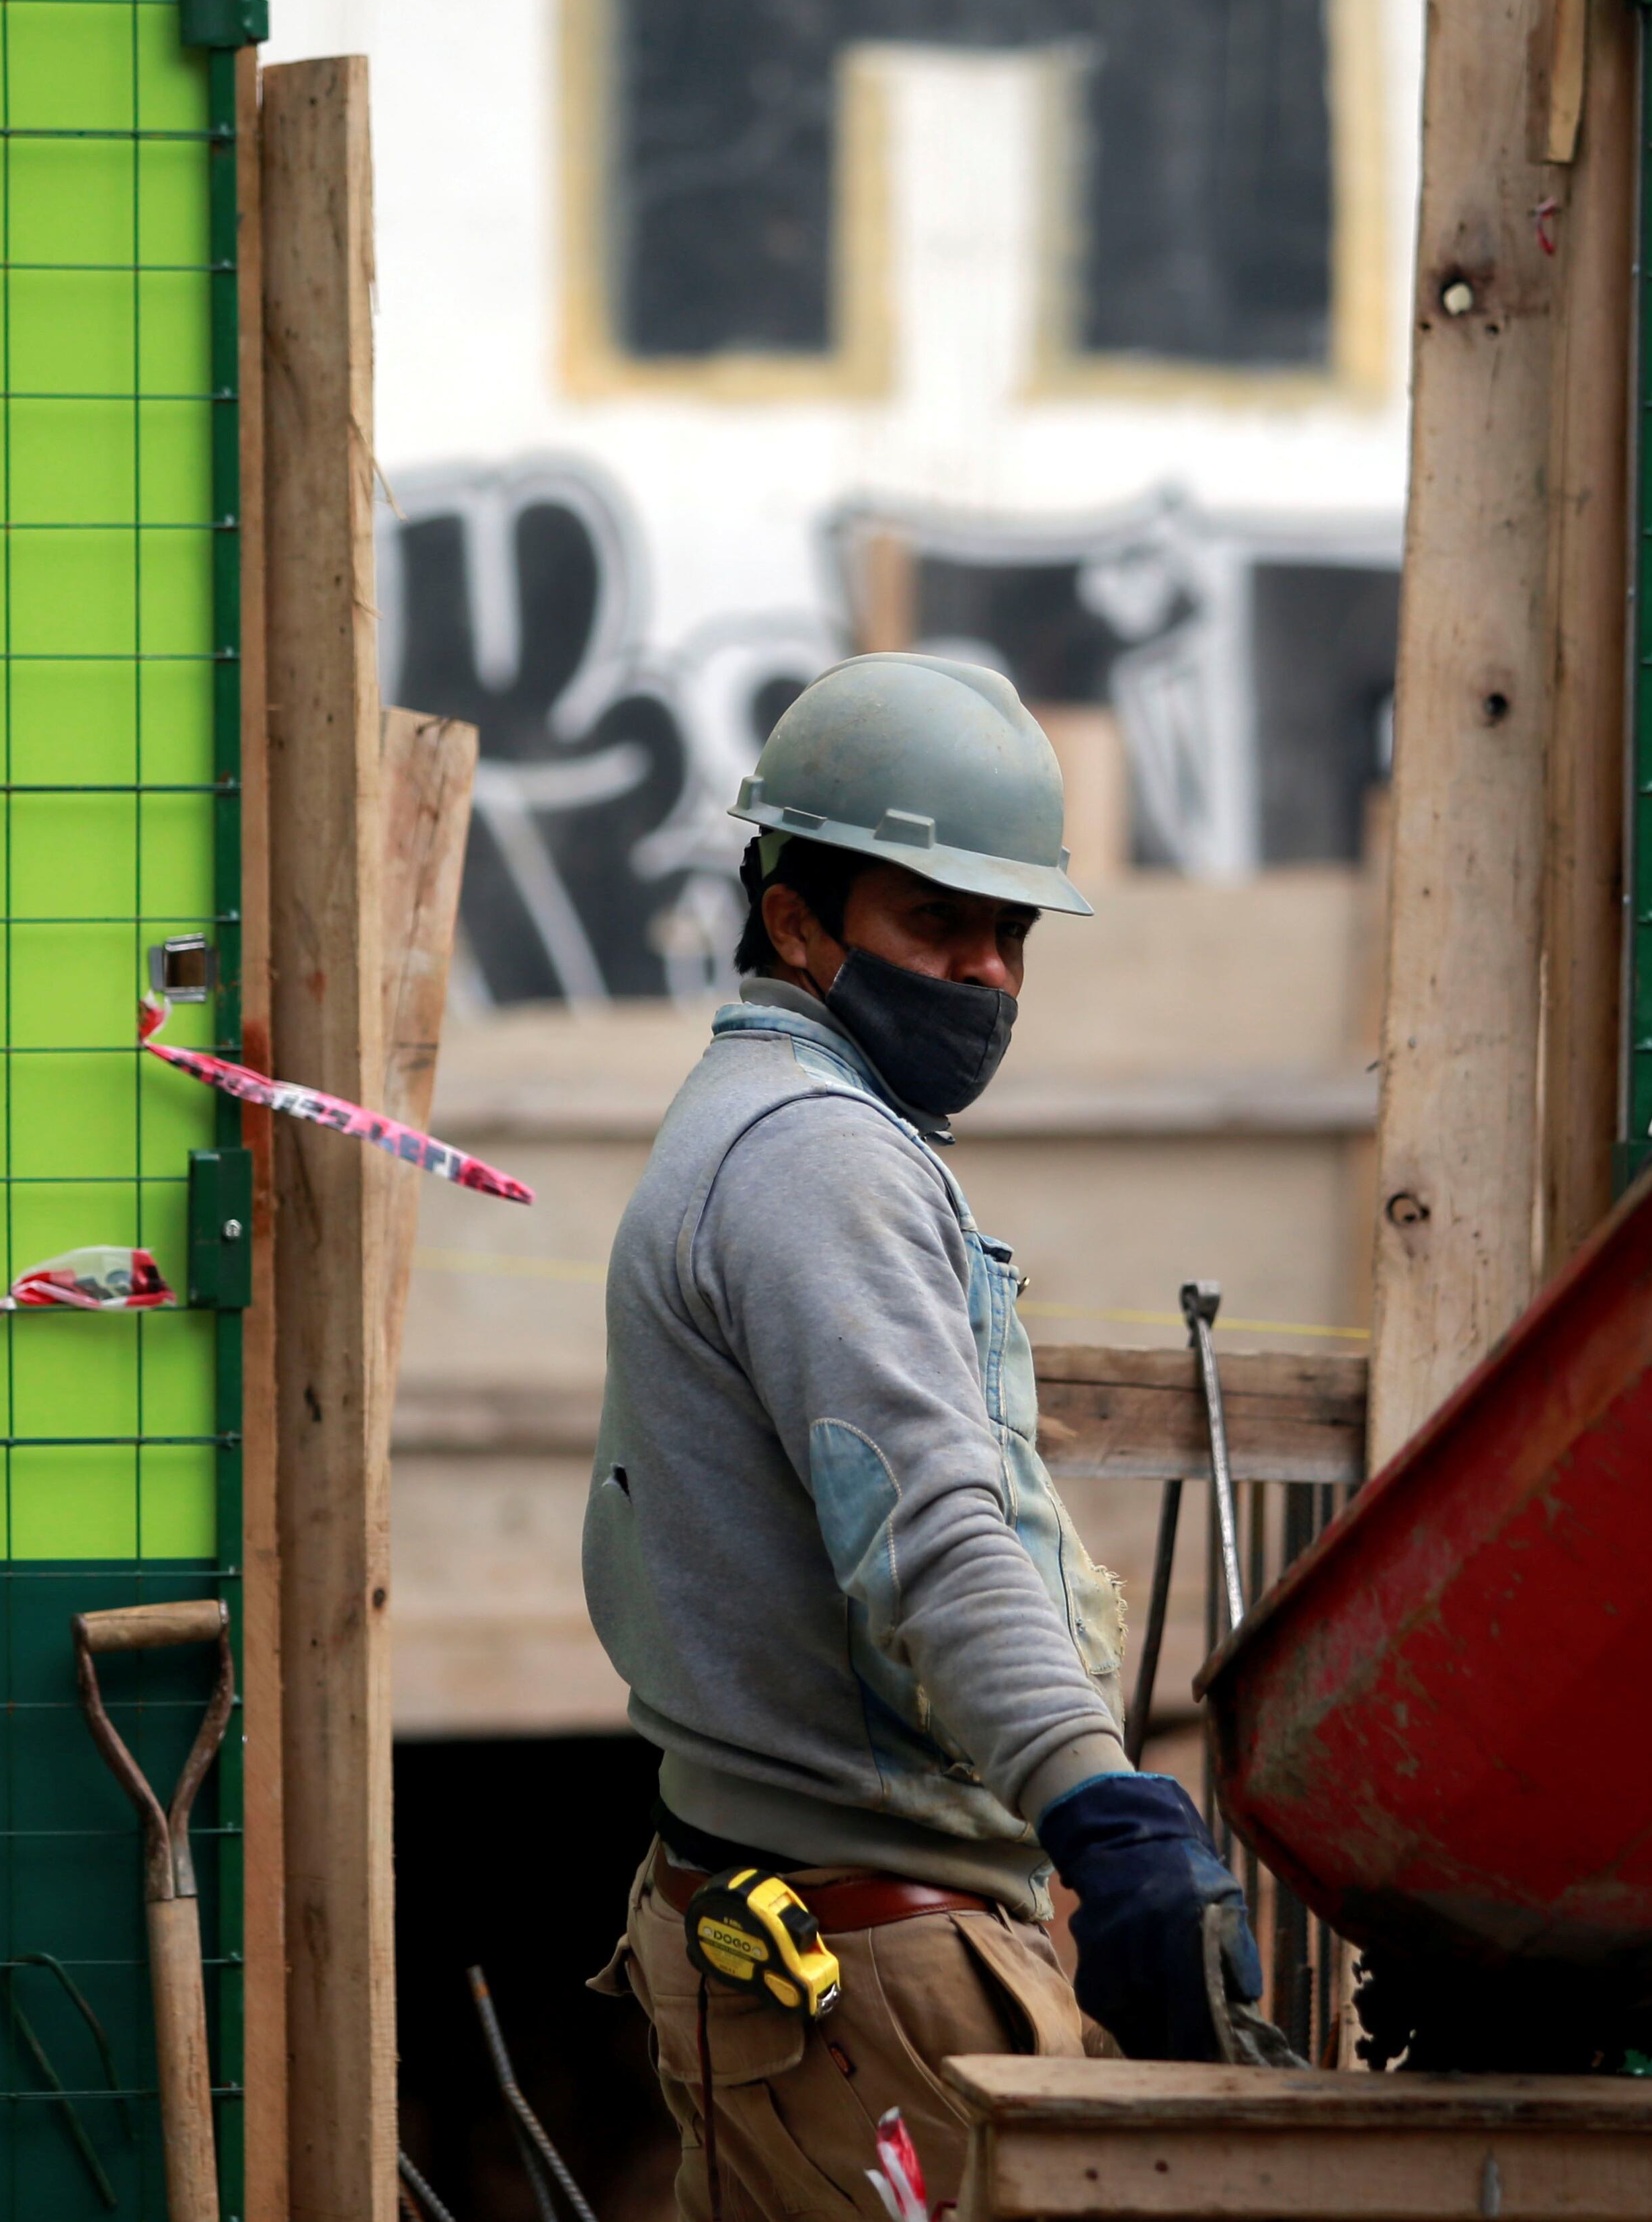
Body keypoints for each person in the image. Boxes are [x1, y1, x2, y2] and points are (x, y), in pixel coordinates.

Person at [583, 653, 1265, 2222]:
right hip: (875, 1965)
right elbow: (932, 1527)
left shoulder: (767, 1124)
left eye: (1008, 934)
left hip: (783, 1942)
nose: (985, 974)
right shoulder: (816, 1161)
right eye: (933, 923)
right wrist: (1104, 1807)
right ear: (795, 916)